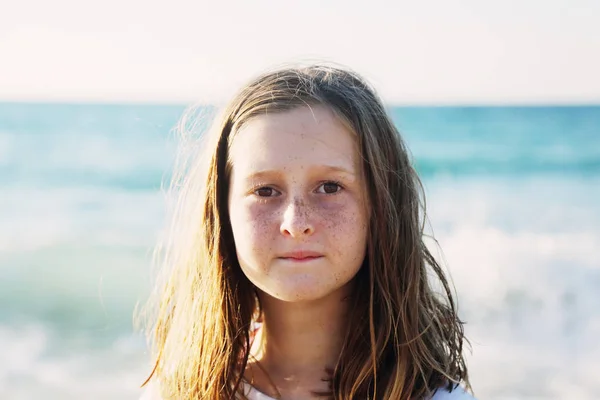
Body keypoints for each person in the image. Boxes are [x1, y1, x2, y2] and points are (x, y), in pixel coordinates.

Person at [138, 64, 476, 399]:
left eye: (330, 187)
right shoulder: (177, 390)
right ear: (222, 212)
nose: (296, 223)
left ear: (381, 206)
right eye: (265, 191)